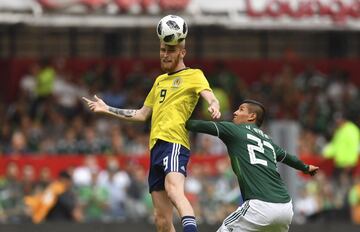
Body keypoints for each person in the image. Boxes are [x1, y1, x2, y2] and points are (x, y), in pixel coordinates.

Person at [82, 39, 221, 232]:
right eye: (163, 50)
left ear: (182, 53)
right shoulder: (159, 81)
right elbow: (142, 114)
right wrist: (107, 109)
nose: (165, 54)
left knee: (174, 191)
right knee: (161, 221)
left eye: (170, 50)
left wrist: (214, 104)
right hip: (155, 148)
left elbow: (209, 95)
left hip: (174, 143)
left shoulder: (194, 75)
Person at [185, 99, 319, 232]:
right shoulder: (268, 141)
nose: (235, 112)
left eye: (241, 109)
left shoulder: (234, 130)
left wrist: (174, 118)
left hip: (259, 206)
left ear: (252, 116)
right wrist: (306, 168)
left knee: (224, 229)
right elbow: (288, 158)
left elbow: (195, 125)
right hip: (285, 208)